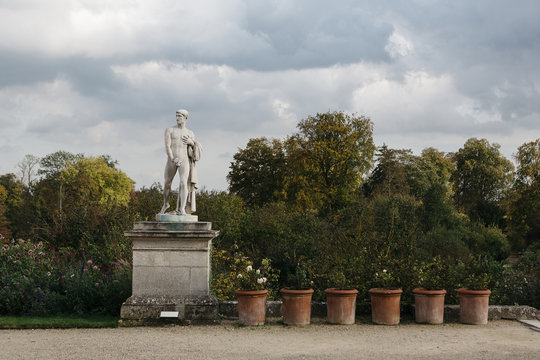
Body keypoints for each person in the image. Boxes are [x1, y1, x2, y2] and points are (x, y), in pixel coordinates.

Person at [159, 109, 202, 215]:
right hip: (172, 160)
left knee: (184, 183)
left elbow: (193, 150)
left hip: (184, 159)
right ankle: (166, 204)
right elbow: (167, 146)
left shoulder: (190, 133)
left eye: (180, 116)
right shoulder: (170, 130)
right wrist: (173, 158)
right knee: (167, 183)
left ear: (185, 118)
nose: (177, 118)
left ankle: (182, 208)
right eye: (176, 116)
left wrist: (191, 142)